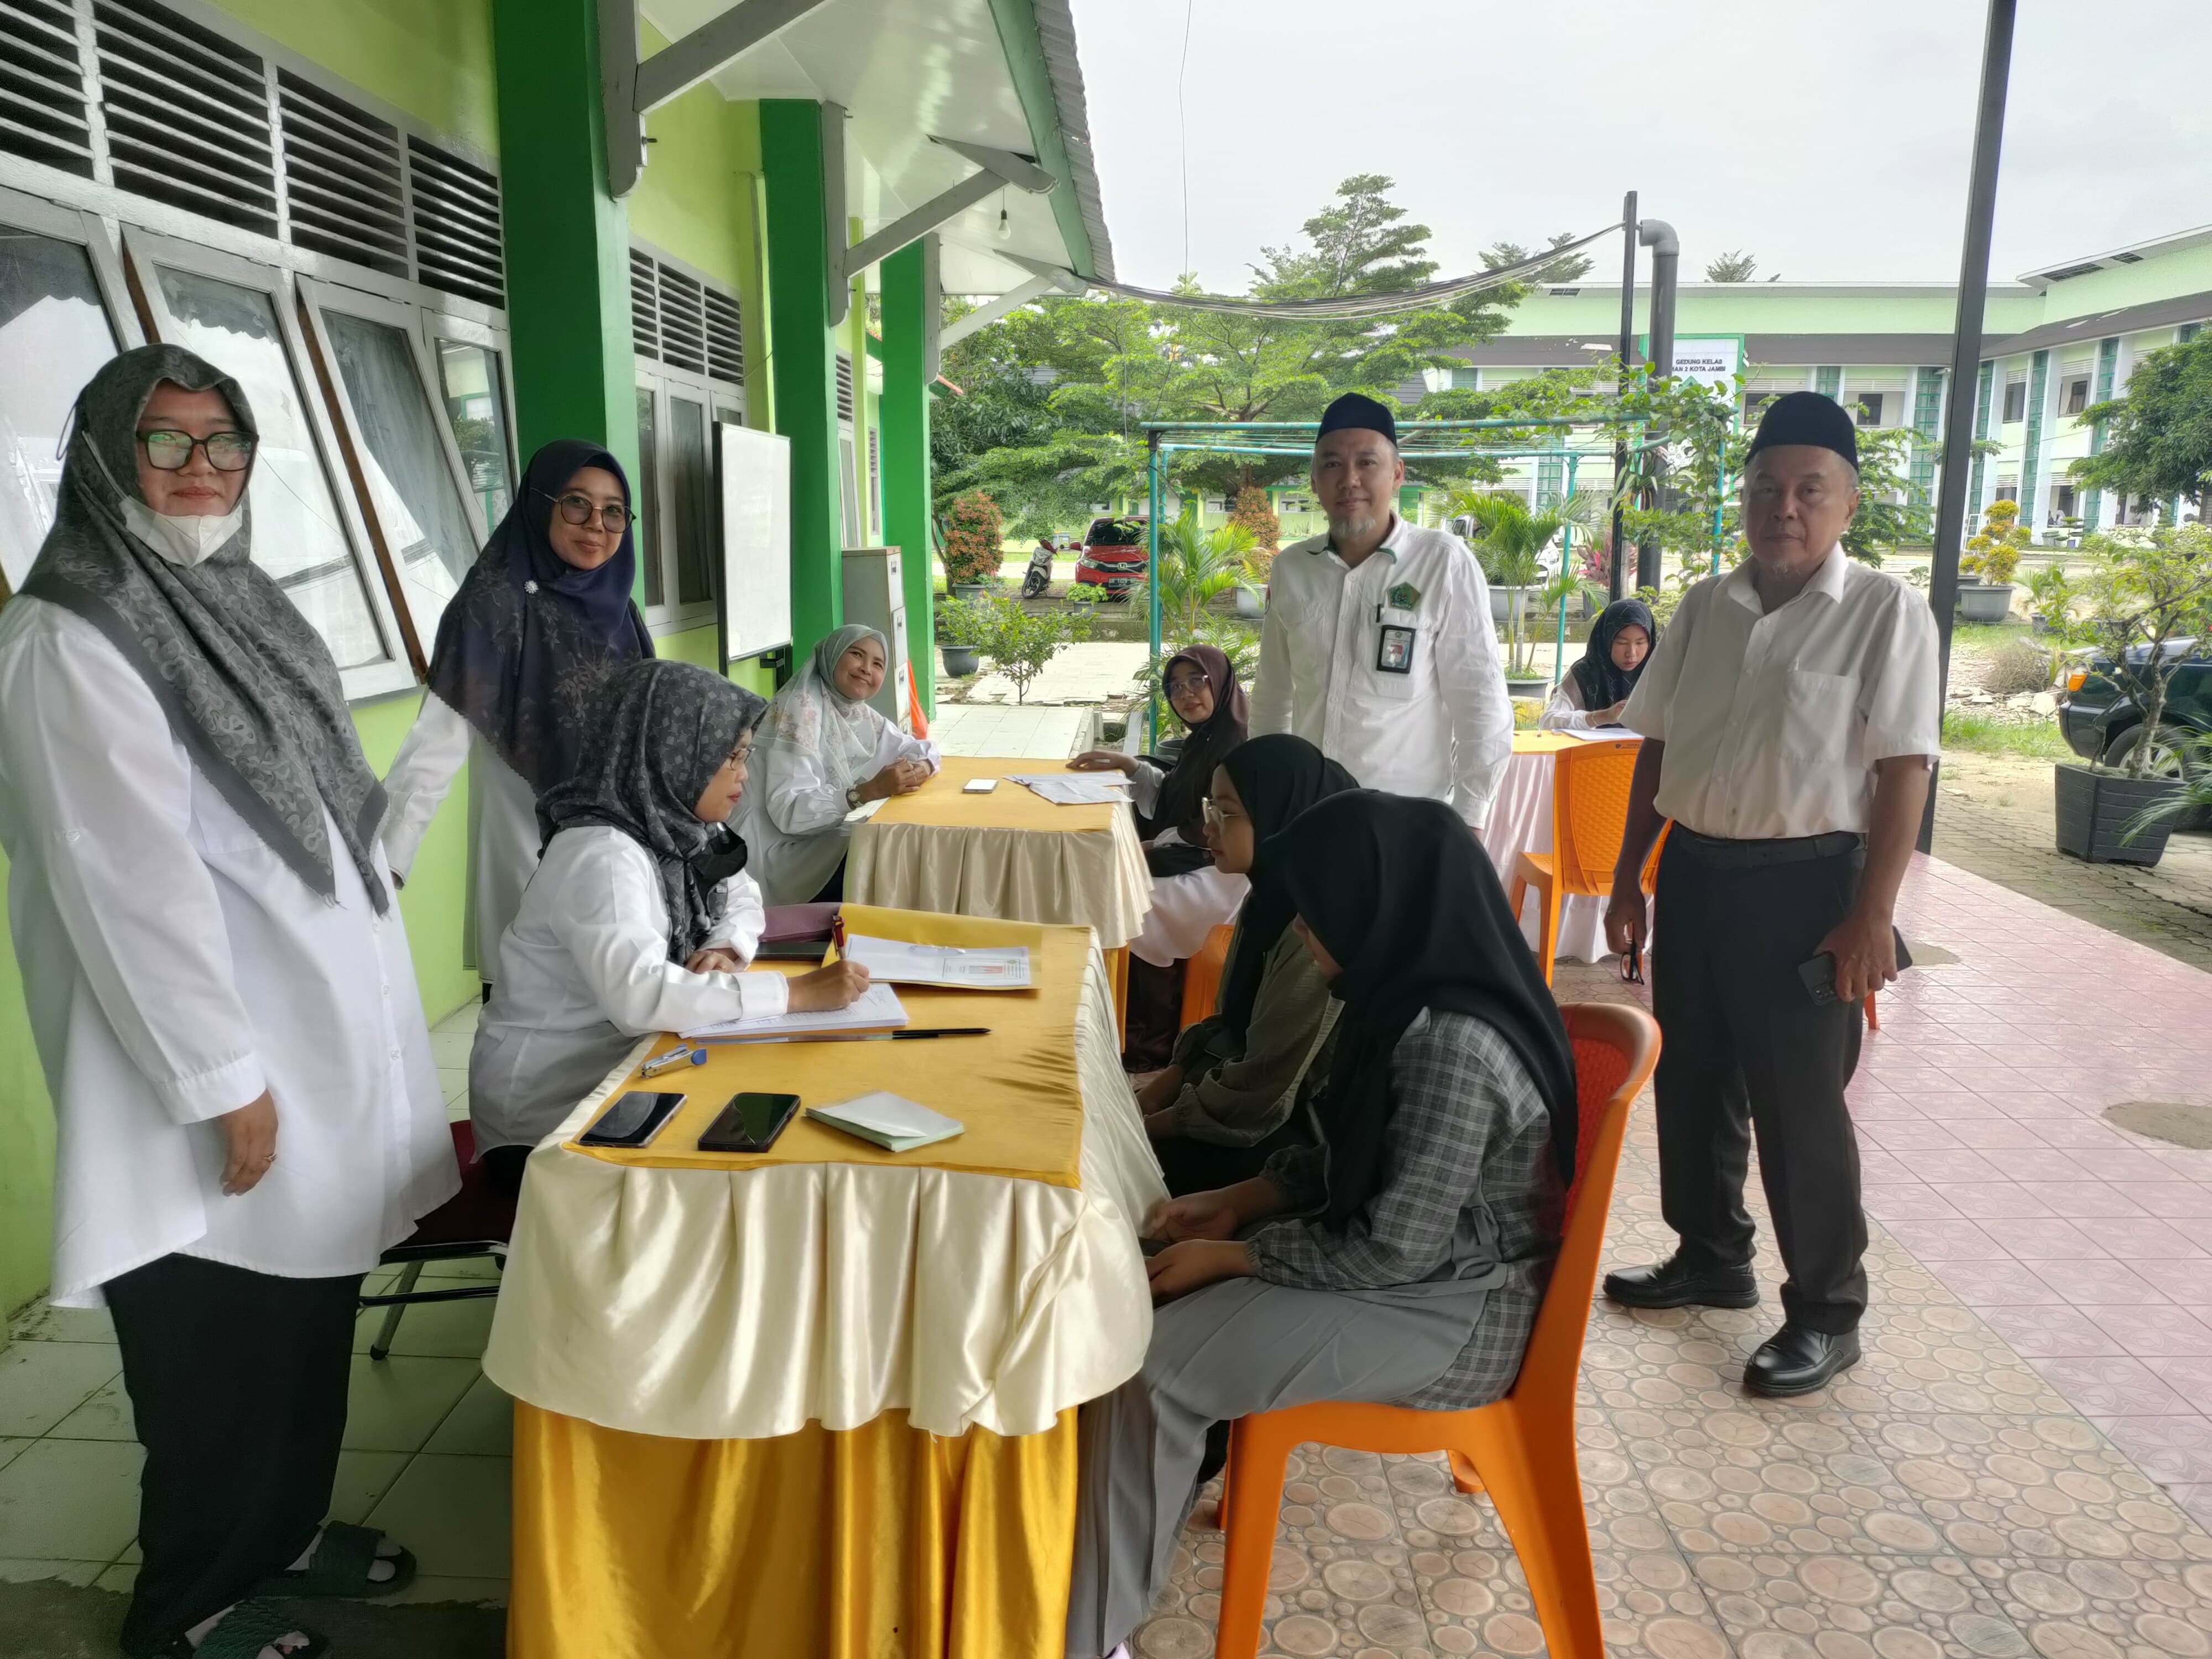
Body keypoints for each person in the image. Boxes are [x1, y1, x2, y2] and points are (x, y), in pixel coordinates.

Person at [0, 345, 456, 1659]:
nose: (203, 468)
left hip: (304, 1057)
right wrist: (222, 1080)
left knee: (301, 1322)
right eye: (168, 441)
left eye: (226, 441)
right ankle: (189, 1606)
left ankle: (284, 1534)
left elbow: (330, 826)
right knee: (212, 1352)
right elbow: (121, 879)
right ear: (99, 458)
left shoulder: (239, 600)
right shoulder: (72, 634)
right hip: (203, 1078)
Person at [1064, 791, 1576, 1659]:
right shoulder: (1399, 993)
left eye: (1320, 913)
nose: (1302, 931)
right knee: (1137, 1290)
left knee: (1153, 1368)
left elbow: (1389, 1245)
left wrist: (1234, 1254)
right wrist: (1248, 1197)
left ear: (1383, 906)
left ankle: (1090, 1633)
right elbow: (1344, 1144)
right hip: (1413, 1269)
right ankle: (1084, 1562)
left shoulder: (1452, 1041)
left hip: (1454, 1310)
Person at [1600, 391, 1939, 1398]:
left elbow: (1904, 769)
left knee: (1802, 1112)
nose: (1784, 506)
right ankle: (1711, 1256)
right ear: (1743, 498)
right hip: (1698, 874)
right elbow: (1658, 746)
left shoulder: (1884, 611)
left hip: (1811, 887)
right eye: (1766, 488)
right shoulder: (1706, 607)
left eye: (1809, 489)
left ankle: (1830, 1310)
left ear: (1847, 501)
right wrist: (1629, 877)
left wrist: (1872, 915)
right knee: (1692, 1080)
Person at [471, 659, 870, 1193]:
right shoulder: (603, 855)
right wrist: (793, 994)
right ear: (672, 754)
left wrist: (727, 946)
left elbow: (742, 893)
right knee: (747, 1175)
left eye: (744, 755)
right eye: (729, 758)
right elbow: (641, 998)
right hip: (551, 1109)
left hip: (626, 1067)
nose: (743, 776)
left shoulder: (676, 827)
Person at [377, 439, 653, 983]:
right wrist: (384, 864)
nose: (596, 524)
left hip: (622, 848)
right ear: (539, 503)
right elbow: (436, 741)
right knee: (535, 1006)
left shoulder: (621, 610)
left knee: (624, 1004)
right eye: (576, 503)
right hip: (528, 841)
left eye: (613, 510)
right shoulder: (492, 605)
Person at [1249, 392, 1513, 831]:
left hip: (1406, 825)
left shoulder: (1442, 563)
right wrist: (1264, 798)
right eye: (1331, 464)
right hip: (1305, 819)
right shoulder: (1292, 568)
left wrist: (1469, 822)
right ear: (1313, 481)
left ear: (1397, 474)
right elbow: (1273, 698)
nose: (1348, 479)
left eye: (1367, 463)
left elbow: (1481, 703)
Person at [1133, 734, 1358, 1194]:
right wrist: (1168, 1082)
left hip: (1301, 1140)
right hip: (1254, 1110)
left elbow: (1263, 1088)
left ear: (1281, 813)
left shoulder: (1313, 931)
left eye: (1227, 812)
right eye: (1208, 807)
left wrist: (1143, 1129)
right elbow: (1232, 1025)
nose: (1208, 827)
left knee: (1121, 1180)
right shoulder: (1268, 898)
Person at [1071, 644, 1250, 1068]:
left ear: (1221, 684)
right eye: (1175, 687)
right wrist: (1130, 766)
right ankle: (1128, 1024)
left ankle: (1151, 1044)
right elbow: (1177, 791)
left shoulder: (1238, 746)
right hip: (1197, 856)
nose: (1187, 694)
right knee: (1121, 886)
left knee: (1136, 904)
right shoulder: (1205, 740)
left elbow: (1220, 828)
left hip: (1225, 872)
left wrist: (1155, 847)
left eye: (1197, 681)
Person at [739, 623, 941, 905]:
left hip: (806, 835)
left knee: (888, 844)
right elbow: (790, 813)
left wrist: (925, 766)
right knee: (882, 852)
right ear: (831, 655)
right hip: (765, 849)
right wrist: (867, 791)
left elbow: (917, 747)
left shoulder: (855, 712)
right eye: (857, 654)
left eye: (878, 663)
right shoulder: (800, 708)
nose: (866, 668)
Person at [1538, 597, 1657, 731]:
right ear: (1606, 639)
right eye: (1622, 643)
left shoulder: (1658, 674)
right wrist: (1603, 716)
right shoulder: (1585, 673)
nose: (1631, 653)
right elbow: (1548, 721)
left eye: (1640, 643)